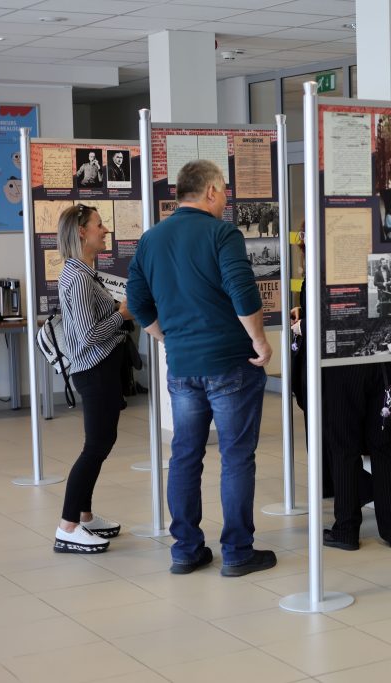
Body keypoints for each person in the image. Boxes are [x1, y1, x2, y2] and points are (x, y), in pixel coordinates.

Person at [127, 159, 276, 577]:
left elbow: (137, 303)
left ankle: (186, 550)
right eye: (224, 189)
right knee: (235, 457)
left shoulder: (151, 239)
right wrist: (260, 341)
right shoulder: (221, 233)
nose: (227, 197)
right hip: (231, 362)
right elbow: (242, 290)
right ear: (210, 191)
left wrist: (165, 336)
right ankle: (237, 551)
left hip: (183, 366)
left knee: (186, 455)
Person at [291, 284, 391, 551]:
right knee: (384, 445)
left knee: (343, 446)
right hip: (385, 360)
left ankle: (346, 529)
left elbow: (329, 318)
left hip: (344, 362)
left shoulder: (329, 259)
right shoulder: (383, 253)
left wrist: (304, 327)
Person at [53, 204, 133, 553]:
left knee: (101, 443)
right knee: (95, 447)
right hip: (94, 369)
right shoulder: (78, 277)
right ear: (81, 232)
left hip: (101, 369)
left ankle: (84, 516)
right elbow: (88, 335)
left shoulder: (82, 272)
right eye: (99, 225)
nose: (106, 230)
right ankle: (68, 526)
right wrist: (123, 314)